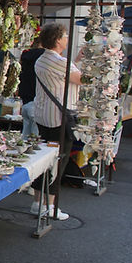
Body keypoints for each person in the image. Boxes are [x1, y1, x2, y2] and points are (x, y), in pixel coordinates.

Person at [32, 23, 78, 220]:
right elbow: (80, 78)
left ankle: (37, 202)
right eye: (65, 36)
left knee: (42, 159)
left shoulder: (41, 60)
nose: (67, 40)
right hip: (58, 119)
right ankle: (50, 206)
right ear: (58, 40)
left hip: (44, 115)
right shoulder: (59, 62)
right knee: (58, 162)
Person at [18, 35, 46, 139]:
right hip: (37, 99)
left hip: (26, 99)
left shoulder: (25, 55)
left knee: (26, 134)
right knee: (35, 138)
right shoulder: (43, 57)